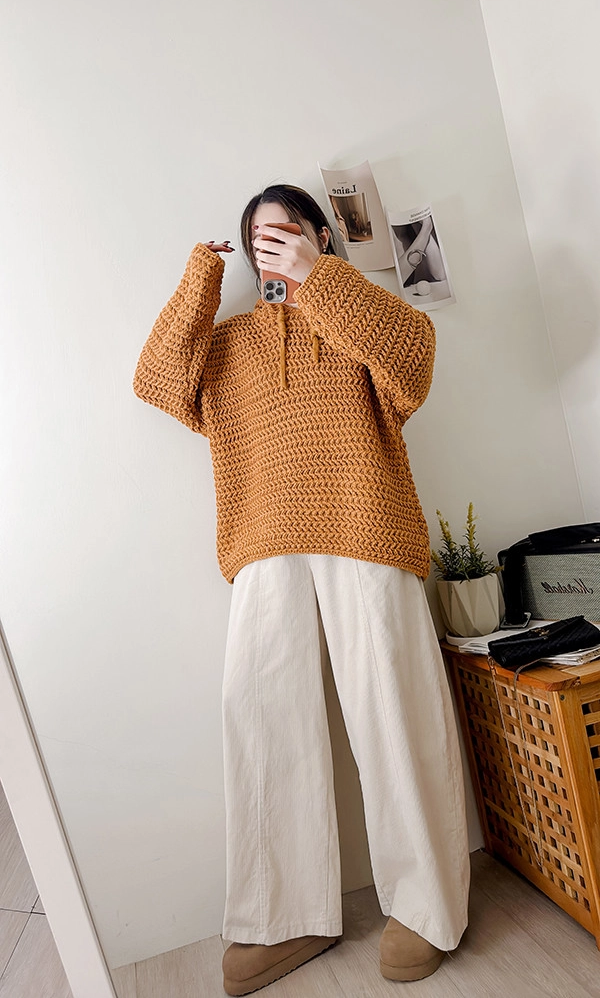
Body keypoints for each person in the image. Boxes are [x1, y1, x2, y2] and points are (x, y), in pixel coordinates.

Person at [133, 184, 470, 996]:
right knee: (260, 717)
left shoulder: (356, 314)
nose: (270, 245)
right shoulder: (227, 343)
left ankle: (427, 905)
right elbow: (156, 382)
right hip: (262, 542)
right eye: (258, 237)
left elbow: (415, 359)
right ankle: (283, 916)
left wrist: (321, 276)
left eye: (285, 230)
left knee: (394, 710)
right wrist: (199, 281)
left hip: (367, 526)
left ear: (319, 233)